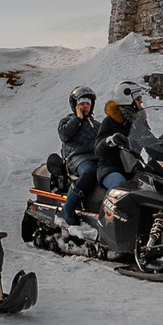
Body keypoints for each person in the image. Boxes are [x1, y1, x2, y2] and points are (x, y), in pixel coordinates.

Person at [56, 86, 103, 231]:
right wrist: (78, 119)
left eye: (88, 103)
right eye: (82, 103)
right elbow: (64, 135)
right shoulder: (67, 121)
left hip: (96, 157)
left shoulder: (97, 125)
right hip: (77, 157)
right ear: (75, 105)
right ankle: (68, 208)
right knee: (89, 171)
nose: (85, 106)